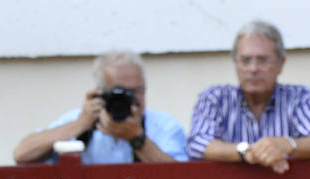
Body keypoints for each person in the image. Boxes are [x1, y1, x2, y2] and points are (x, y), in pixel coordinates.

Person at [187, 20, 310, 174]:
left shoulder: (299, 97)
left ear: (280, 64)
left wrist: (287, 144)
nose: (253, 69)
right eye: (245, 60)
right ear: (235, 64)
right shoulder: (215, 98)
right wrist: (245, 151)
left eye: (262, 60)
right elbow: (197, 144)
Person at [12, 51, 188, 164]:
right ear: (101, 92)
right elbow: (22, 155)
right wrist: (79, 125)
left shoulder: (164, 125)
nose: (131, 100)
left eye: (138, 90)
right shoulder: (82, 120)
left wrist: (136, 139)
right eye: (121, 93)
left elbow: (183, 177)